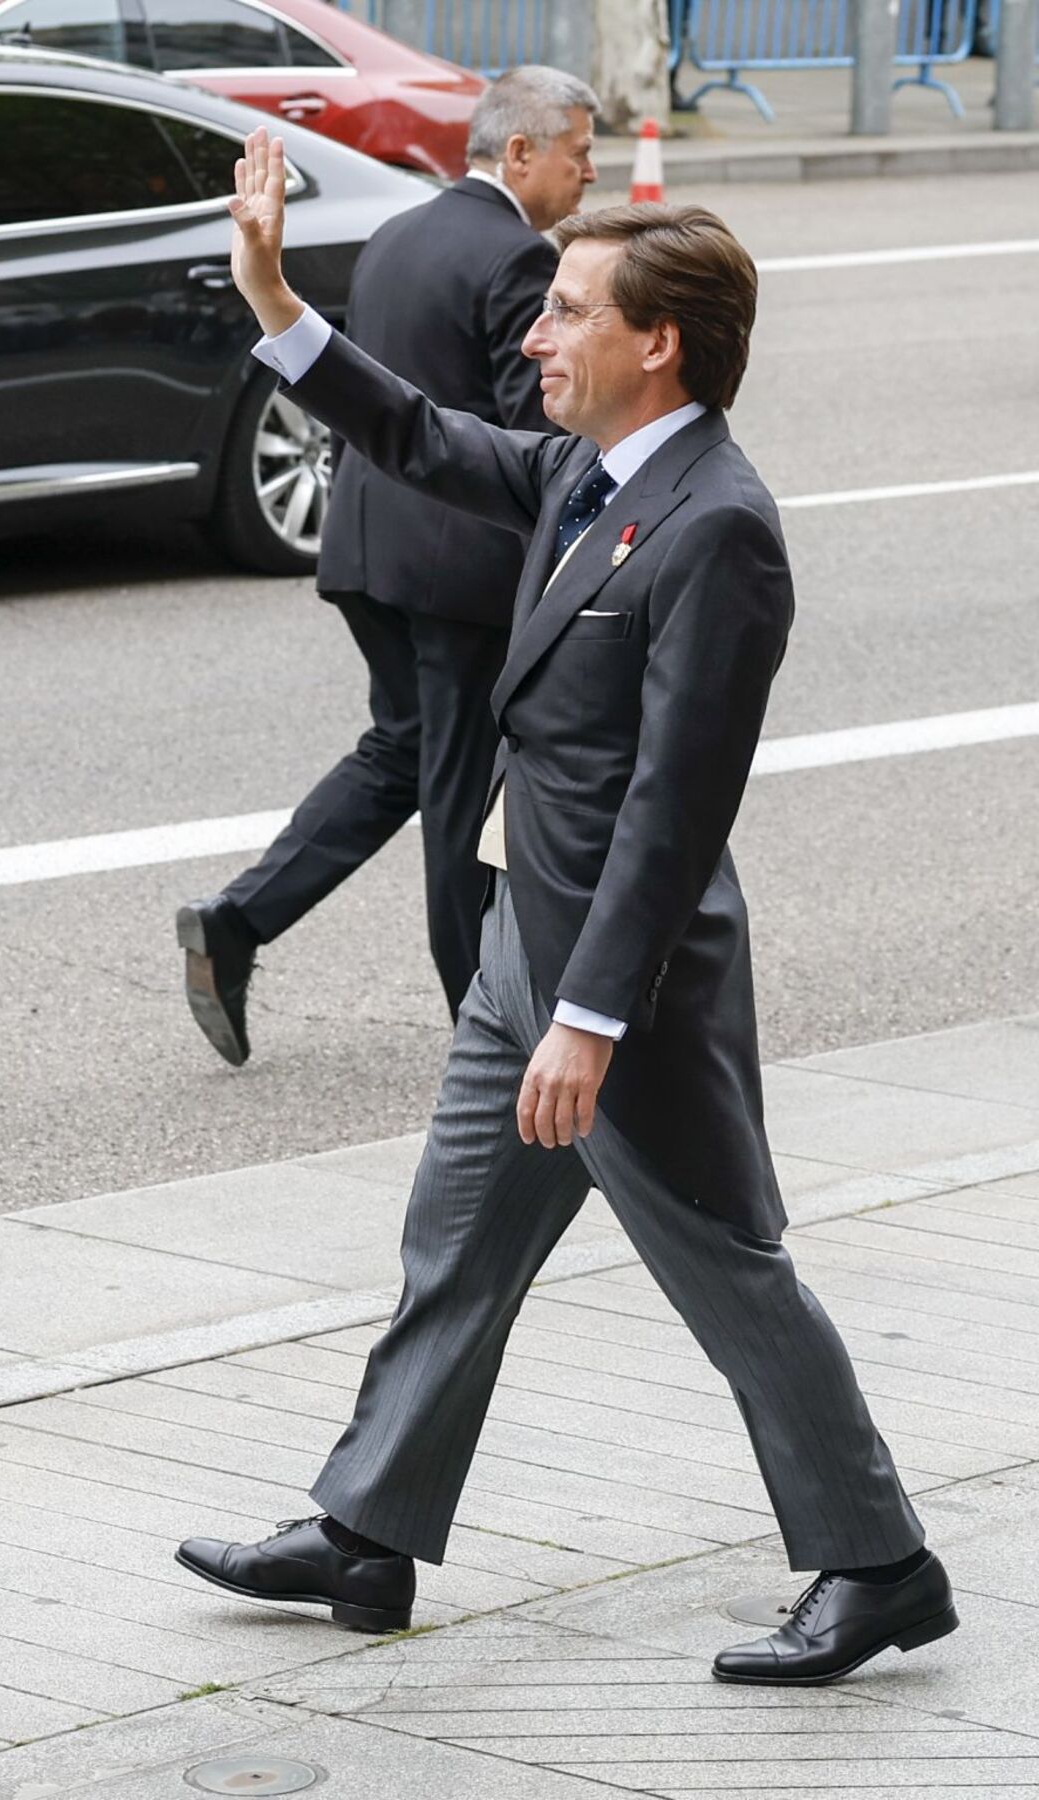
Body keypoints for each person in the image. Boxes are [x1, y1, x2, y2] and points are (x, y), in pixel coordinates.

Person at [175, 128, 960, 1686]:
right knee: (455, 1244)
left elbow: (677, 807)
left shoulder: (718, 527)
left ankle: (878, 1563)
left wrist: (592, 1015)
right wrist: (272, 298)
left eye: (567, 311)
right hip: (527, 941)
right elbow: (408, 432)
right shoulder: (580, 478)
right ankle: (366, 1536)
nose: (532, 333)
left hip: (627, 979)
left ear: (655, 344)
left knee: (727, 1264)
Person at [176, 67, 599, 1064]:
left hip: (368, 546)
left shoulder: (402, 231)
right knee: (459, 799)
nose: (591, 171)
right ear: (522, 153)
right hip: (459, 570)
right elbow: (523, 434)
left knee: (404, 752)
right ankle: (485, 1039)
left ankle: (237, 920)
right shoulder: (516, 260)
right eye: (579, 150)